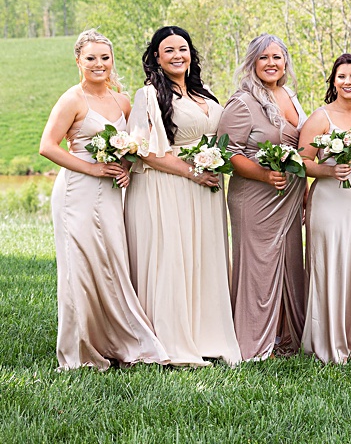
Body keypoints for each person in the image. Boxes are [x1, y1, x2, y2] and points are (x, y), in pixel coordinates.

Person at [39, 29, 167, 371]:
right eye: (91, 58)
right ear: (78, 61)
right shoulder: (72, 99)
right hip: (76, 194)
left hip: (111, 195)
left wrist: (124, 168)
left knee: (111, 264)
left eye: (105, 57)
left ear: (112, 61)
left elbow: (129, 146)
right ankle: (79, 348)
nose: (99, 64)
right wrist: (91, 170)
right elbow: (47, 146)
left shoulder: (121, 101)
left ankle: (120, 340)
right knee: (78, 268)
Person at [125, 25, 241, 366]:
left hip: (207, 189)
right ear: (157, 58)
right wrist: (193, 171)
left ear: (192, 54)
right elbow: (143, 150)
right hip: (169, 186)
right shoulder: (148, 96)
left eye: (183, 49)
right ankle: (172, 339)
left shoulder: (205, 94)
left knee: (204, 259)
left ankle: (207, 335)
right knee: (174, 258)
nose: (178, 55)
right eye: (169, 50)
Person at [217, 33, 308, 361]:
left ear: (285, 62)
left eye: (277, 57)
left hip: (289, 200)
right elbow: (227, 153)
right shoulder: (242, 103)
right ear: (252, 63)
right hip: (255, 199)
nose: (271, 64)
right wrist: (263, 173)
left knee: (289, 265)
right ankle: (254, 341)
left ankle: (286, 337)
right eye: (264, 58)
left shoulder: (290, 96)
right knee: (258, 268)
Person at [296, 53, 351, 364]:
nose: (348, 82)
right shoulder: (321, 117)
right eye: (342, 77)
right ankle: (326, 340)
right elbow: (301, 160)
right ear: (333, 81)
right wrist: (329, 171)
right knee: (328, 263)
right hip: (328, 199)